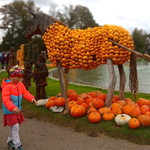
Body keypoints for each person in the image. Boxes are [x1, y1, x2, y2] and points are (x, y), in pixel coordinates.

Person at [1, 65, 37, 150]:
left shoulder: (20, 85)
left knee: (14, 126)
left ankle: (10, 141)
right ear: (12, 76)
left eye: (20, 77)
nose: (19, 79)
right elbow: (6, 100)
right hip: (10, 110)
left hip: (17, 110)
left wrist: (31, 98)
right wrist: (12, 108)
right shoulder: (7, 87)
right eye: (17, 77)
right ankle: (17, 145)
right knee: (15, 126)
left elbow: (25, 93)